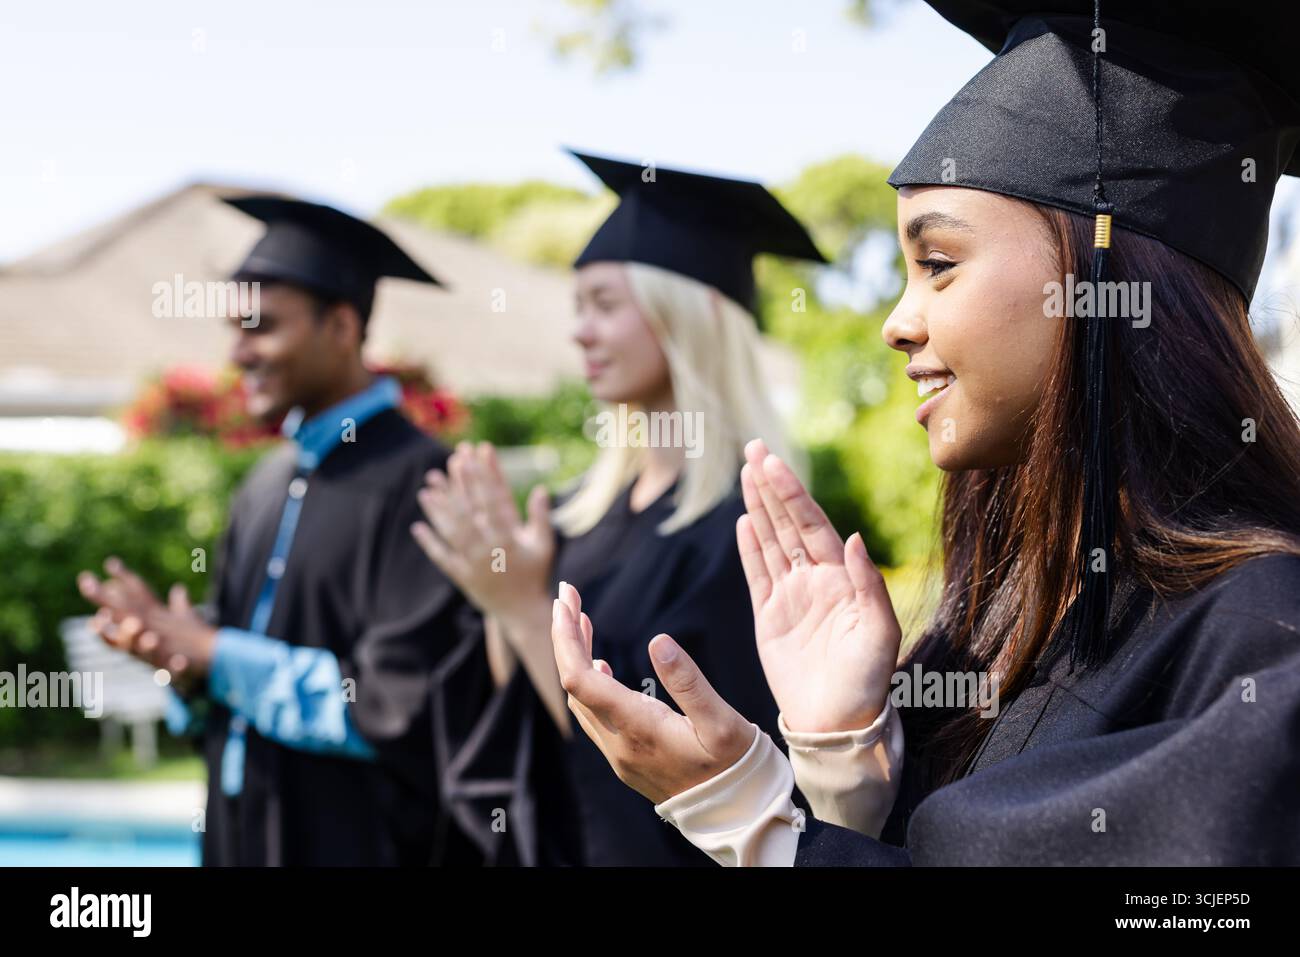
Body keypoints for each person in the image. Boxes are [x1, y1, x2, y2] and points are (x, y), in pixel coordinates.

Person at [550, 0, 1300, 865]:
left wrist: (759, 829)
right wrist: (843, 758)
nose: (896, 323)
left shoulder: (1262, 640)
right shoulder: (993, 623)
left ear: (1102, 275)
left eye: (938, 264)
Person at [410, 149, 828, 865]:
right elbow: (526, 724)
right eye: (578, 308)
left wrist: (518, 606)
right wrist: (498, 597)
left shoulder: (749, 526)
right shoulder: (577, 511)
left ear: (686, 317)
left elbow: (684, 771)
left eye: (605, 304)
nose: (580, 332)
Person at [77, 197, 490, 866]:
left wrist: (214, 651)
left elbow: (398, 707)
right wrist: (182, 666)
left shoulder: (426, 484)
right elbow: (228, 689)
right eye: (235, 327)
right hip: (236, 836)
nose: (239, 351)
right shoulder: (263, 485)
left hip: (358, 841)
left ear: (342, 324)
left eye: (262, 326)